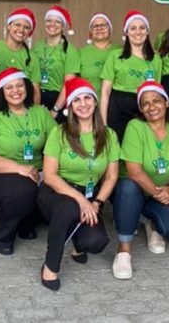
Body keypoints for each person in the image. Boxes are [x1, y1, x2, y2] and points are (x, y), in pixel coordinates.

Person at [39, 78, 120, 291]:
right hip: (57, 191)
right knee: (69, 208)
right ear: (70, 106)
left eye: (87, 98)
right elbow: (49, 176)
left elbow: (111, 176)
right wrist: (81, 201)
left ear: (95, 102)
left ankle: (78, 241)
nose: (83, 104)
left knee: (96, 242)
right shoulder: (59, 132)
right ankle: (50, 265)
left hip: (90, 194)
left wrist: (97, 203)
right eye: (76, 100)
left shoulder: (109, 135)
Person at [111, 81, 169, 280]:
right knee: (127, 187)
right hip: (135, 191)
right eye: (145, 103)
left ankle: (150, 222)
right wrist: (162, 195)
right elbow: (134, 172)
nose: (151, 106)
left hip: (162, 192)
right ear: (140, 109)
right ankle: (123, 250)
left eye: (156, 101)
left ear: (166, 103)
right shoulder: (136, 127)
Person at [0, 68, 57, 255]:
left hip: (37, 171)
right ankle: (2, 235)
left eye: (20, 85)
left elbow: (58, 143)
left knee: (52, 190)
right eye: (9, 87)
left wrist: (50, 171)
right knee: (24, 188)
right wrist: (19, 168)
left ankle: (26, 222)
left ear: (27, 88)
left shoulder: (40, 113)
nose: (15, 91)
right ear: (1, 92)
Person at [100, 11, 162, 142]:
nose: (138, 32)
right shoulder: (115, 56)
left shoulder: (156, 59)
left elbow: (157, 93)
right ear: (126, 32)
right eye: (133, 28)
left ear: (147, 31)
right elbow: (105, 92)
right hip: (118, 106)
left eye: (142, 28)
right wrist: (103, 124)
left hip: (144, 107)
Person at [33, 5, 80, 120]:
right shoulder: (37, 46)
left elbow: (69, 83)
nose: (52, 24)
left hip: (58, 99)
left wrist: (55, 109)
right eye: (49, 21)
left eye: (57, 22)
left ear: (63, 26)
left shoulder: (70, 50)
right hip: (37, 95)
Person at [0, 8, 42, 104]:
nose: (21, 29)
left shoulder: (32, 58)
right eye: (17, 25)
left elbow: (35, 91)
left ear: (29, 32)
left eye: (26, 27)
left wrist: (35, 111)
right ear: (9, 26)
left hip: (21, 107)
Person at [78, 12, 120, 92]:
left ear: (110, 30)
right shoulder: (81, 53)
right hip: (88, 99)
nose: (99, 28)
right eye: (95, 26)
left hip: (116, 99)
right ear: (90, 32)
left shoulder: (120, 51)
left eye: (103, 25)